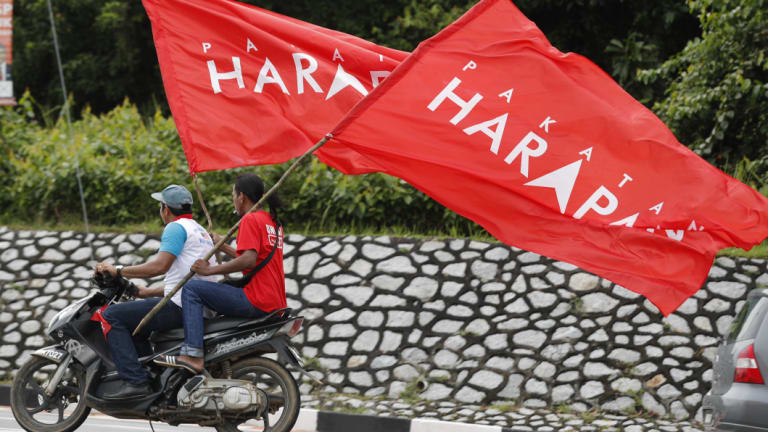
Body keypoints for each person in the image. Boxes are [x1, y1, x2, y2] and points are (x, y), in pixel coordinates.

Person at [93, 184, 217, 399]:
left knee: (110, 316)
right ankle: (152, 377)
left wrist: (118, 270)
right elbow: (184, 280)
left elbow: (159, 267)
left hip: (180, 307)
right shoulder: (201, 231)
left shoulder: (175, 228)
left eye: (161, 207)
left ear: (165, 209)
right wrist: (147, 293)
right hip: (198, 305)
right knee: (135, 327)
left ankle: (136, 382)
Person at [154, 173, 285, 373]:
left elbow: (248, 259)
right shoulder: (272, 222)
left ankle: (193, 354)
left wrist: (210, 269)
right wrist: (222, 245)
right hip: (275, 300)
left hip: (257, 299)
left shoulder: (249, 219)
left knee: (191, 289)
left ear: (241, 197)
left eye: (234, 194)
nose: (233, 199)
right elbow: (256, 258)